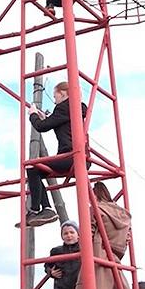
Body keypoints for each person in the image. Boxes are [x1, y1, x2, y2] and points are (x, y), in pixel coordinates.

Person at [66, 182, 133, 289]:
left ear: (94, 195)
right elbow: (126, 240)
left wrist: (83, 246)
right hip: (112, 264)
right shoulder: (123, 215)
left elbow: (87, 236)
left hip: (94, 262)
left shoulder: (95, 209)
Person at [22, 81, 87, 227]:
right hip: (80, 157)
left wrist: (32, 115)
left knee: (33, 169)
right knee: (37, 171)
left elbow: (40, 127)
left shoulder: (63, 107)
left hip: (69, 157)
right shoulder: (76, 108)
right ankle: (45, 209)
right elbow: (59, 124)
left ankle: (39, 209)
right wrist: (48, 118)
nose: (54, 99)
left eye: (55, 96)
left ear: (63, 94)